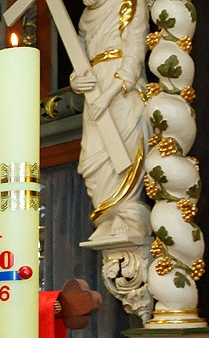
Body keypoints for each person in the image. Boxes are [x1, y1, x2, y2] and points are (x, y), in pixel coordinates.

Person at [70, 0, 150, 244]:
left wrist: (109, 95)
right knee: (93, 160)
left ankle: (127, 219)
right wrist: (75, 81)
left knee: (122, 155)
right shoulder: (86, 16)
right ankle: (107, 218)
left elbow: (135, 54)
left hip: (122, 92)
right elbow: (79, 60)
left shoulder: (129, 4)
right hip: (94, 90)